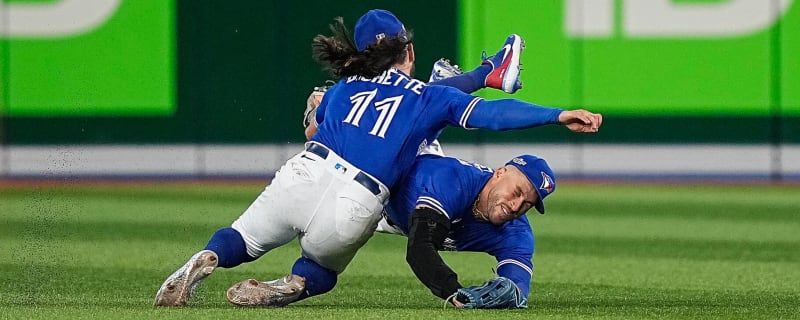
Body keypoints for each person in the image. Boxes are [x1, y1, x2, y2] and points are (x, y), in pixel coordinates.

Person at [154, 8, 602, 307]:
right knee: (322, 269)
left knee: (241, 239)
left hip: (306, 170)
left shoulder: (344, 87)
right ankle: (295, 283)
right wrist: (556, 114)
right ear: (407, 50)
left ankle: (207, 257)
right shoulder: (427, 98)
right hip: (361, 196)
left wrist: (317, 108)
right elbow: (494, 116)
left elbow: (313, 127)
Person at [384, 153, 554, 308]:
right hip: (382, 191)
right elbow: (419, 248)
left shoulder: (517, 233)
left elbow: (517, 291)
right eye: (516, 192)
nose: (516, 206)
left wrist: (510, 294)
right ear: (499, 173)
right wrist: (453, 291)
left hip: (418, 209)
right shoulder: (454, 181)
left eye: (527, 204)